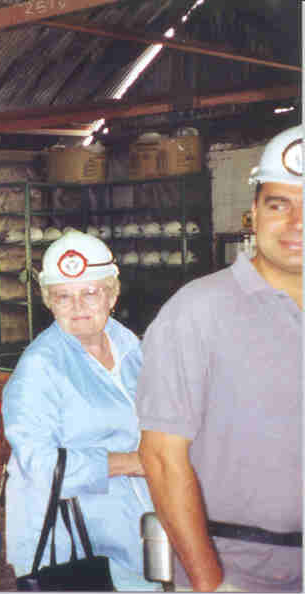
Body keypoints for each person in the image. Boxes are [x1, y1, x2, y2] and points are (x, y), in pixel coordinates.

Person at [137, 125, 302, 591]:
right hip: (243, 569)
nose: (296, 223)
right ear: (253, 213)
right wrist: (211, 584)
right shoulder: (197, 311)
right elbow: (163, 458)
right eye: (279, 204)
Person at [2, 230, 158, 591]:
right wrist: (132, 462)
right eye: (63, 297)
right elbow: (40, 467)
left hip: (141, 527)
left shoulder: (130, 345)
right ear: (49, 302)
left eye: (90, 293)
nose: (78, 307)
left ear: (113, 294)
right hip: (77, 545)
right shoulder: (40, 368)